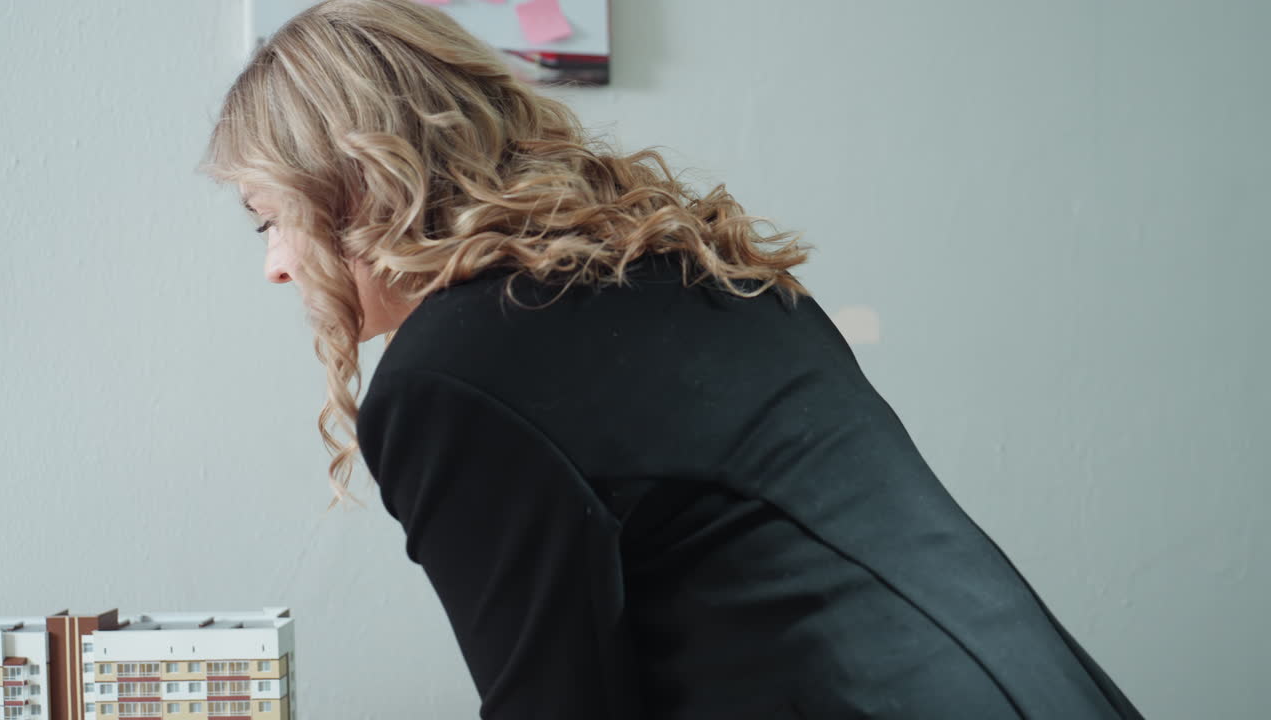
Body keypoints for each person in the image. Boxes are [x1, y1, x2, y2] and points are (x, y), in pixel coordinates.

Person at [198, 1, 1146, 717]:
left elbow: (556, 703)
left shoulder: (448, 376)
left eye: (269, 220)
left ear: (357, 186)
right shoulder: (694, 265)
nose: (279, 268)